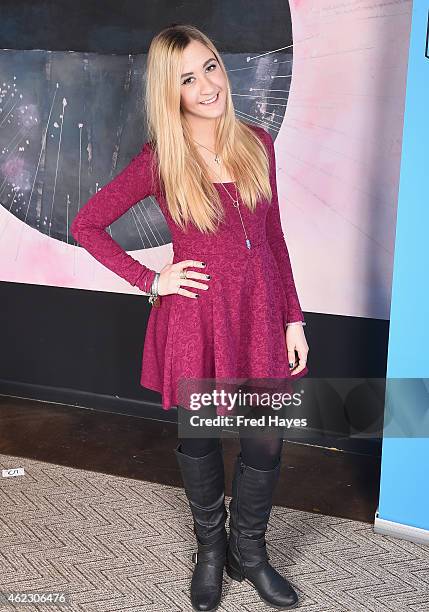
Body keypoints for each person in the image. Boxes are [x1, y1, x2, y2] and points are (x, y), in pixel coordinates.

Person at [71, 23, 309, 612]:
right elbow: (87, 226)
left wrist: (293, 319)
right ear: (169, 91)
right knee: (201, 437)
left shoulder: (257, 141)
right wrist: (153, 280)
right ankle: (210, 550)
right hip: (197, 321)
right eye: (187, 77)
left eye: (210, 67)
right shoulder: (162, 159)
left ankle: (247, 553)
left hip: (259, 317)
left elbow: (272, 239)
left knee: (266, 439)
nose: (207, 85)